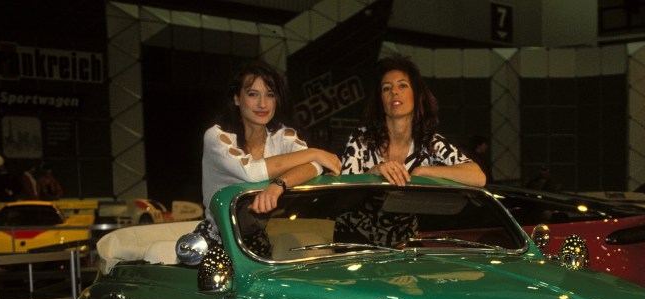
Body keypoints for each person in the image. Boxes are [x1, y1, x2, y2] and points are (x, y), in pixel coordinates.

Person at [196, 59, 341, 247]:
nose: (263, 104)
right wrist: (314, 152)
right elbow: (251, 172)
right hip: (219, 238)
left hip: (263, 237)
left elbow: (314, 166)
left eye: (270, 95)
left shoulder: (282, 135)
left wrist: (279, 184)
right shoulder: (216, 137)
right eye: (253, 94)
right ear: (236, 98)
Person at [340, 54, 485, 187]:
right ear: (380, 100)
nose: (394, 92)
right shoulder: (362, 139)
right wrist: (373, 172)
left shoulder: (430, 143)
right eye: (386, 88)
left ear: (417, 96)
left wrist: (424, 172)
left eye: (402, 85)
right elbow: (344, 195)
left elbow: (478, 177)